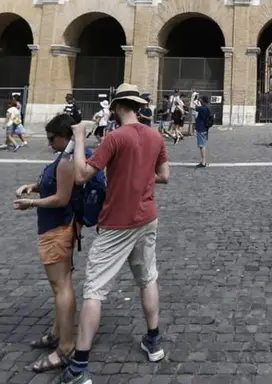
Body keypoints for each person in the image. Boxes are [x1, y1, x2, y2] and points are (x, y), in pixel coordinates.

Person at [64, 84, 170, 383]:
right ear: (137, 106)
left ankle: (80, 365)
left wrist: (80, 138)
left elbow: (82, 174)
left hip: (117, 224)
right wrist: (139, 178)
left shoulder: (114, 138)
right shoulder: (155, 135)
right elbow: (164, 176)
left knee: (95, 290)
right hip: (147, 218)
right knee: (148, 278)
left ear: (116, 107)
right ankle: (153, 341)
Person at [13, 113, 80, 374]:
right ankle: (57, 333)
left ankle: (66, 347)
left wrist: (31, 203)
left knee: (61, 286)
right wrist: (34, 186)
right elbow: (54, 186)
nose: (50, 143)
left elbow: (61, 198)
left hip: (58, 229)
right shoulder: (66, 157)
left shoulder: (67, 161)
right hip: (58, 227)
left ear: (65, 136)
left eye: (53, 138)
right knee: (59, 286)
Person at [193, 95, 211, 168]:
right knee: (202, 145)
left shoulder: (202, 109)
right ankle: (203, 161)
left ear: (203, 101)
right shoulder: (206, 108)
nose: (200, 100)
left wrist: (193, 98)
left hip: (201, 129)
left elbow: (192, 106)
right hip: (204, 128)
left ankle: (203, 162)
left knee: (201, 145)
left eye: (201, 99)